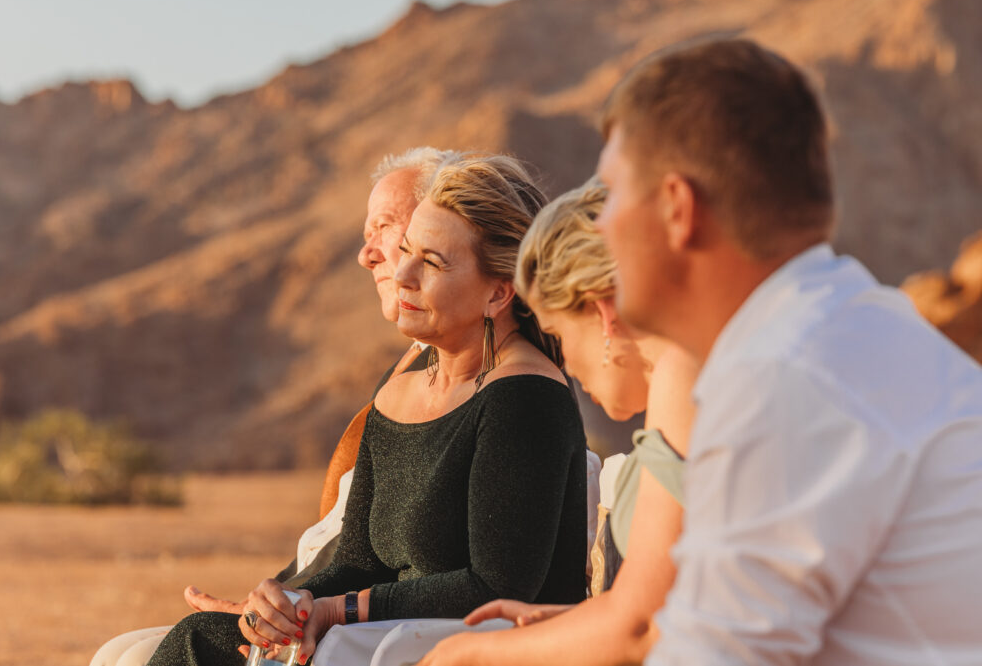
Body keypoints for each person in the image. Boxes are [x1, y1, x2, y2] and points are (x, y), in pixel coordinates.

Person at [595, 36, 982, 665]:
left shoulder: (784, 379)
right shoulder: (854, 324)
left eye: (611, 191)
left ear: (676, 208)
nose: (601, 224)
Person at [145, 155, 590, 666]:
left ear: (498, 292)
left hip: (477, 653)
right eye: (406, 251)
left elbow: (495, 584)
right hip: (381, 639)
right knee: (197, 637)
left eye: (433, 261)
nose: (402, 275)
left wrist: (338, 612)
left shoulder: (526, 397)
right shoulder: (395, 398)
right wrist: (285, 604)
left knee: (200, 645)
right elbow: (358, 561)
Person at [90, 147, 457, 666]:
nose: (366, 254)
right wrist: (279, 598)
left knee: (140, 656)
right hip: (324, 612)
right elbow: (355, 545)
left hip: (370, 630)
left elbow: (443, 567)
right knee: (120, 652)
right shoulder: (407, 379)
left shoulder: (484, 392)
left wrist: (312, 607)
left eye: (384, 227)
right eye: (365, 234)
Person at [408, 178, 697, 666]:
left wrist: (477, 654)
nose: (570, 368)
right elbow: (673, 607)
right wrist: (569, 621)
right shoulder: (689, 378)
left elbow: (644, 628)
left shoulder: (682, 377)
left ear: (603, 314)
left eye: (559, 333)